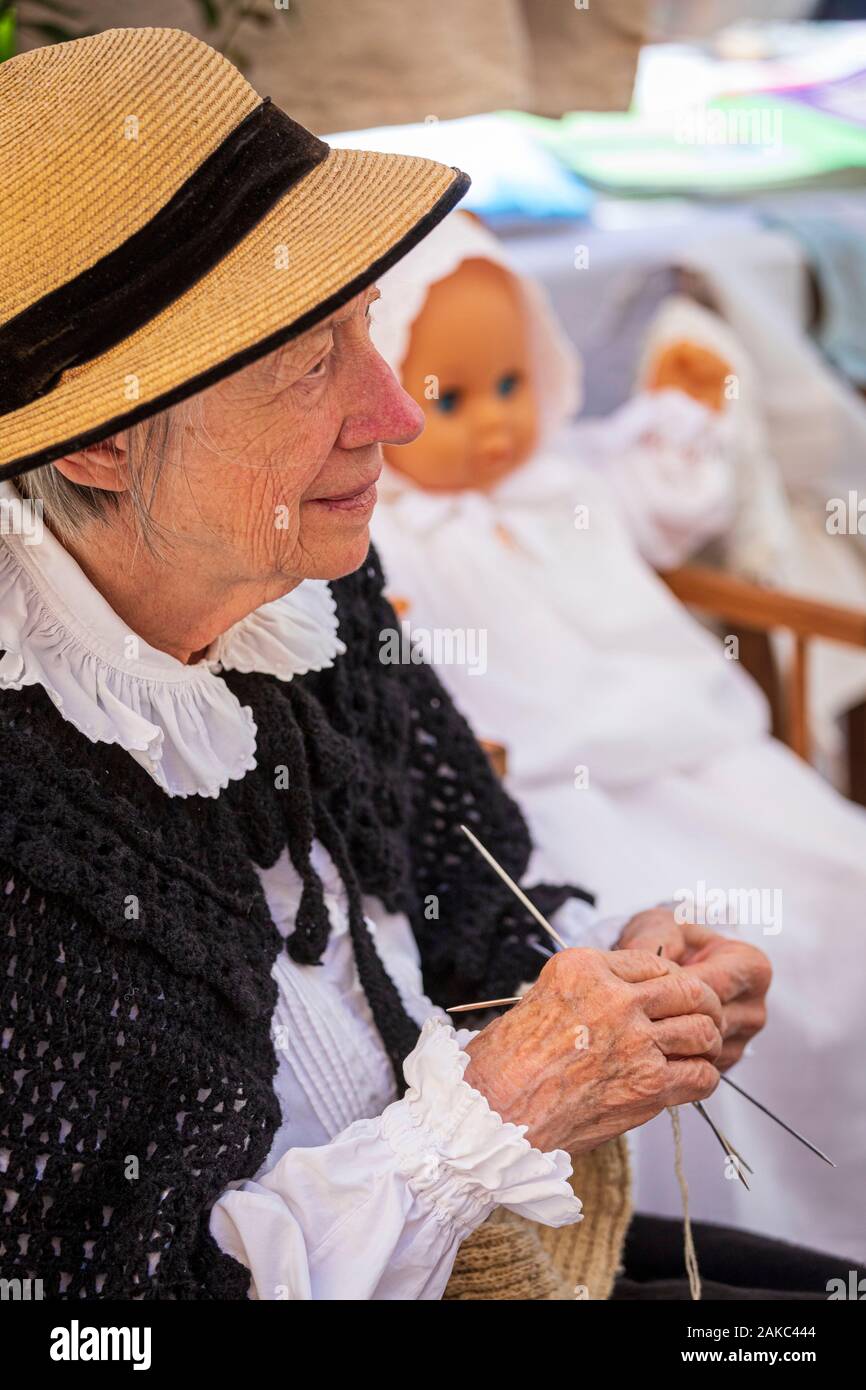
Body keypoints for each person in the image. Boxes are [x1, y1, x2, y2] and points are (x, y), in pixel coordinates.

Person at [0, 27, 840, 1303]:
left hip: (502, 1255)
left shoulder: (318, 597)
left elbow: (473, 903)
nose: (393, 411)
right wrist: (487, 1118)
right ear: (99, 447)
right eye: (303, 364)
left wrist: (617, 973)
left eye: (365, 328)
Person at [369, 210, 866, 1261]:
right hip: (550, 785)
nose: (494, 425)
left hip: (690, 750)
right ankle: (751, 1222)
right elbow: (396, 704)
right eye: (446, 399)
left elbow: (663, 502)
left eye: (511, 386)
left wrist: (680, 413)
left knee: (839, 877)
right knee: (668, 979)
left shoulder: (565, 482)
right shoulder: (386, 538)